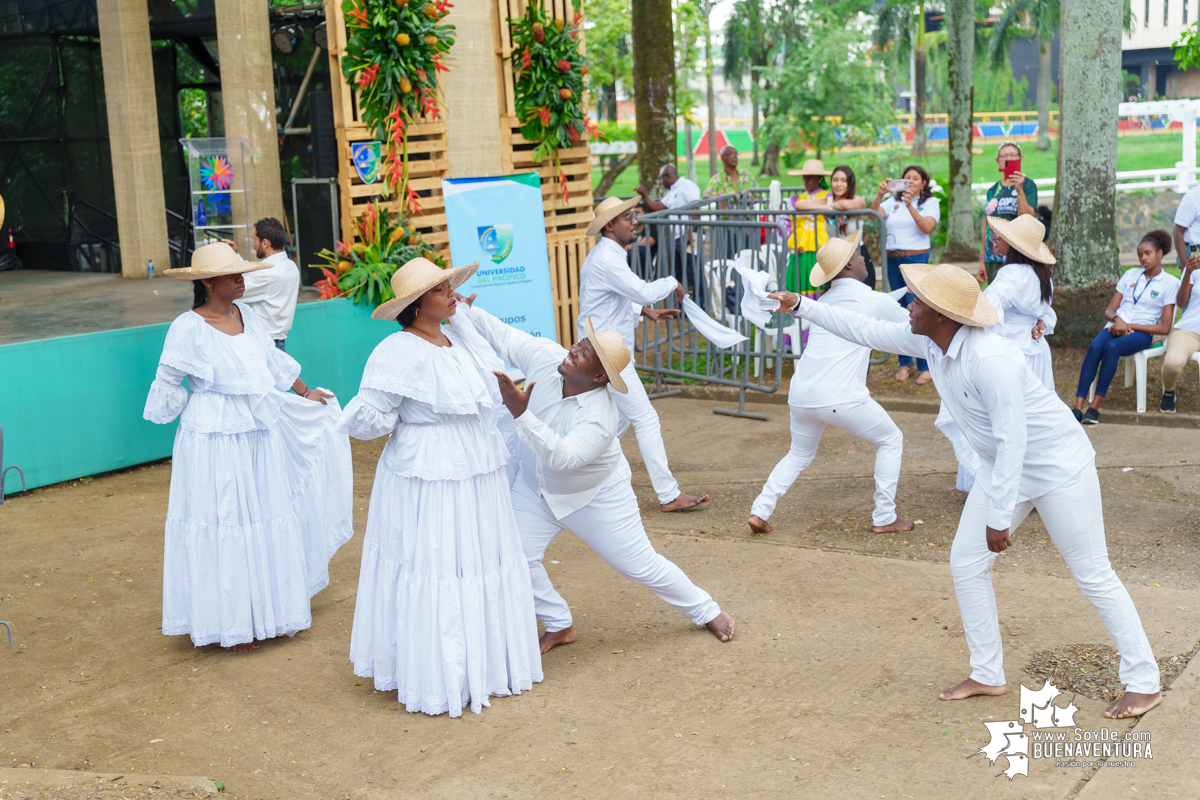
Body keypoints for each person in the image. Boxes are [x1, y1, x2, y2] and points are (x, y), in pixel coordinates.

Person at [769, 262, 1162, 720]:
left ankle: (1144, 681)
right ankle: (987, 672)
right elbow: (866, 328)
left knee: (1093, 573)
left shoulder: (991, 360)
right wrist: (802, 306)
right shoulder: (928, 339)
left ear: (941, 314)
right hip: (1004, 467)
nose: (909, 307)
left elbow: (1015, 439)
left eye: (916, 301)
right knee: (966, 563)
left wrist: (998, 516)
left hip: (1058, 467)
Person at [456, 298, 736, 651]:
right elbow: (502, 334)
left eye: (583, 351)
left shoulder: (602, 418)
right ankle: (559, 625)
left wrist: (520, 414)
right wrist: (461, 310)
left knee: (641, 565)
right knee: (509, 555)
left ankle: (706, 610)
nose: (573, 349)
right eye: (579, 343)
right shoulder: (546, 356)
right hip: (534, 489)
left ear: (599, 376)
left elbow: (565, 457)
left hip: (595, 497)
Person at [337, 257, 542, 717]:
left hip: (476, 467)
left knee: (476, 557)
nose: (452, 294)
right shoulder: (396, 351)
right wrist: (348, 412)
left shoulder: (458, 341)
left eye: (450, 287)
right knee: (436, 561)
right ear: (414, 305)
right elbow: (371, 420)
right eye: (440, 290)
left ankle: (480, 668)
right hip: (428, 470)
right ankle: (439, 674)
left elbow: (492, 387)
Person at [143, 242, 353, 652]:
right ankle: (231, 623)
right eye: (233, 274)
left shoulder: (249, 315)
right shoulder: (186, 328)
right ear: (207, 282)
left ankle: (269, 612)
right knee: (225, 518)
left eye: (243, 272)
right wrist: (185, 407)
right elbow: (167, 383)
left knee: (261, 512)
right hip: (213, 436)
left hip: (257, 429)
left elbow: (271, 364)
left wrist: (306, 391)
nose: (242, 279)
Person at [746, 232, 913, 536]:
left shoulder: (825, 299)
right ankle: (885, 516)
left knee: (798, 454)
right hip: (841, 397)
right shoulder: (871, 298)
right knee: (891, 440)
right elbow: (913, 331)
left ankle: (760, 510)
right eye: (860, 255)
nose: (864, 258)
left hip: (801, 394)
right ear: (850, 264)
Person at [578, 196, 709, 512]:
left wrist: (644, 313)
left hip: (606, 347)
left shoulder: (608, 255)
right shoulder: (608, 259)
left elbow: (617, 297)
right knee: (645, 418)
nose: (635, 221)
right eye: (628, 217)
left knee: (615, 426)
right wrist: (673, 281)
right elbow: (641, 290)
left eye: (634, 215)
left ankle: (577, 481)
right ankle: (668, 495)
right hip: (607, 349)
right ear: (610, 226)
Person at [936, 215, 1057, 493]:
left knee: (999, 422)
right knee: (1029, 422)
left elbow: (988, 308)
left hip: (1013, 353)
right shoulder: (1041, 275)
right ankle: (1036, 483)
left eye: (1001, 237)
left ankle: (998, 485)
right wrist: (1040, 323)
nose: (996, 240)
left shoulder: (1011, 273)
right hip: (1035, 352)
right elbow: (1047, 313)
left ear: (1014, 246)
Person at [1073, 230, 1179, 425]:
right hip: (1115, 325)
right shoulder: (1131, 275)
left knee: (1112, 348)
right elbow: (1110, 310)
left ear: (1160, 254)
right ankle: (1078, 407)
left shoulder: (1170, 283)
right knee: (1095, 347)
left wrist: (1127, 325)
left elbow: (1164, 328)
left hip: (1142, 332)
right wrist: (1117, 320)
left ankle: (1094, 407)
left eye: (1148, 253)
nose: (1143, 259)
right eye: (1140, 255)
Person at [869, 164, 940, 384]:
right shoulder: (892, 203)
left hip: (916, 259)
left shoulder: (930, 202)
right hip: (893, 259)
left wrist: (911, 206)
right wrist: (880, 194)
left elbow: (927, 228)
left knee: (919, 309)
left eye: (915, 178)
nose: (910, 181)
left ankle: (925, 365)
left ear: (924, 183)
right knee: (898, 310)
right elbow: (872, 217)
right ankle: (905, 363)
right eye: (906, 178)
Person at [223, 218, 301, 351]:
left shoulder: (269, 274)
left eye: (255, 240)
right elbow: (254, 275)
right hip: (274, 342)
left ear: (265, 243)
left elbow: (235, 292)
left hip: (264, 344)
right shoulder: (289, 265)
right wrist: (235, 255)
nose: (254, 244)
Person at [795, 164, 873, 288]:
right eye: (835, 180)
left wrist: (832, 209)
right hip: (835, 258)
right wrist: (827, 208)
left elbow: (844, 206)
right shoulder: (828, 201)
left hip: (856, 255)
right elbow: (799, 204)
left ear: (850, 182)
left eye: (843, 180)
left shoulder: (857, 200)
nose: (838, 184)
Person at [636, 164, 704, 302]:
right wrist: (644, 196)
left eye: (661, 179)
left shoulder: (687, 185)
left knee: (694, 273)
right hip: (677, 238)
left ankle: (701, 306)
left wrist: (689, 235)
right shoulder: (672, 191)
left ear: (668, 177)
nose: (661, 183)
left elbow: (695, 208)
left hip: (691, 236)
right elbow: (657, 207)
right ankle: (683, 307)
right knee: (679, 273)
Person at [976, 142, 1038, 285]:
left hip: (1016, 256)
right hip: (993, 255)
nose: (1008, 159)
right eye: (1004, 156)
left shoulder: (1028, 186)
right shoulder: (993, 190)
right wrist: (982, 260)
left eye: (1012, 155)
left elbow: (1027, 218)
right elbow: (986, 226)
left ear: (1020, 158)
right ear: (998, 161)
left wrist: (1019, 189)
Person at [1162, 181, 1200, 412]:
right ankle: (1169, 391)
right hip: (1190, 328)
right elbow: (1181, 301)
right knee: (1173, 363)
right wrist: (1188, 269)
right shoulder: (1194, 196)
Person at [785, 159, 832, 300]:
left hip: (817, 244)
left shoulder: (827, 195)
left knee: (815, 279)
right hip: (798, 245)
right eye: (804, 177)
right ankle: (796, 312)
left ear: (819, 178)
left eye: (810, 177)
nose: (806, 180)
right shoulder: (797, 198)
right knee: (797, 278)